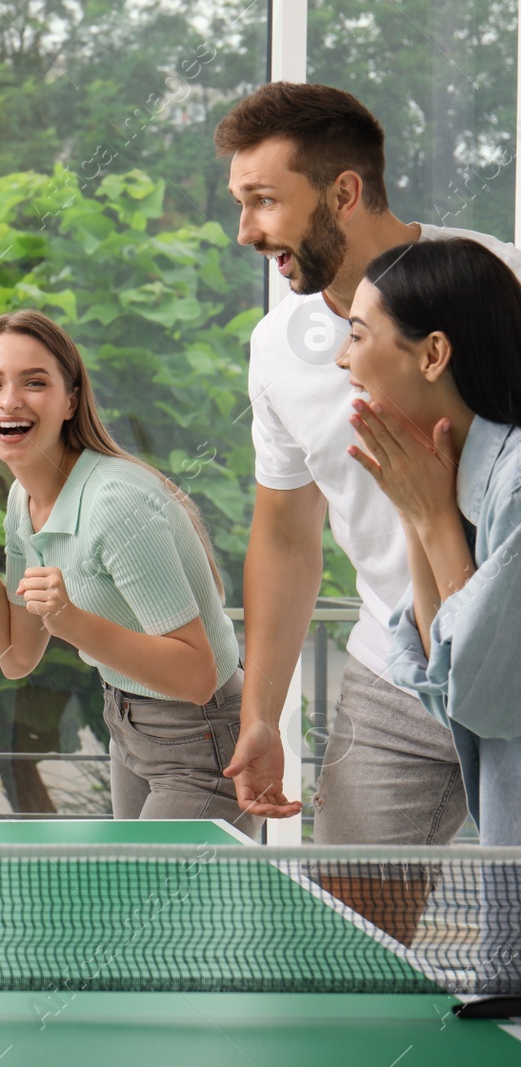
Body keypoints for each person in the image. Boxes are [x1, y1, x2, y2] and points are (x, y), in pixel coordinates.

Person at [216, 82, 521, 938]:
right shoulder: (276, 348)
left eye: (265, 201)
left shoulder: (504, 284)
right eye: (242, 204)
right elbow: (284, 533)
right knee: (344, 937)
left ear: (344, 192)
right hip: (399, 672)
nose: (248, 232)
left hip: (519, 671)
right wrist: (261, 716)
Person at [0, 311, 254, 836]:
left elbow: (197, 676)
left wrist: (71, 620)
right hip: (127, 718)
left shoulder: (115, 504)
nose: (9, 400)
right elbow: (16, 655)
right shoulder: (23, 497)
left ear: (71, 400)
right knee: (136, 908)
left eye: (35, 383)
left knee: (157, 912)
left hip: (201, 732)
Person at [340, 239, 521, 993]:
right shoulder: (457, 471)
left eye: (358, 335)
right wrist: (421, 512)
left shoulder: (515, 485)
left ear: (433, 352)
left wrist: (436, 523)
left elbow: (487, 689)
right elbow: (438, 685)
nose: (345, 360)